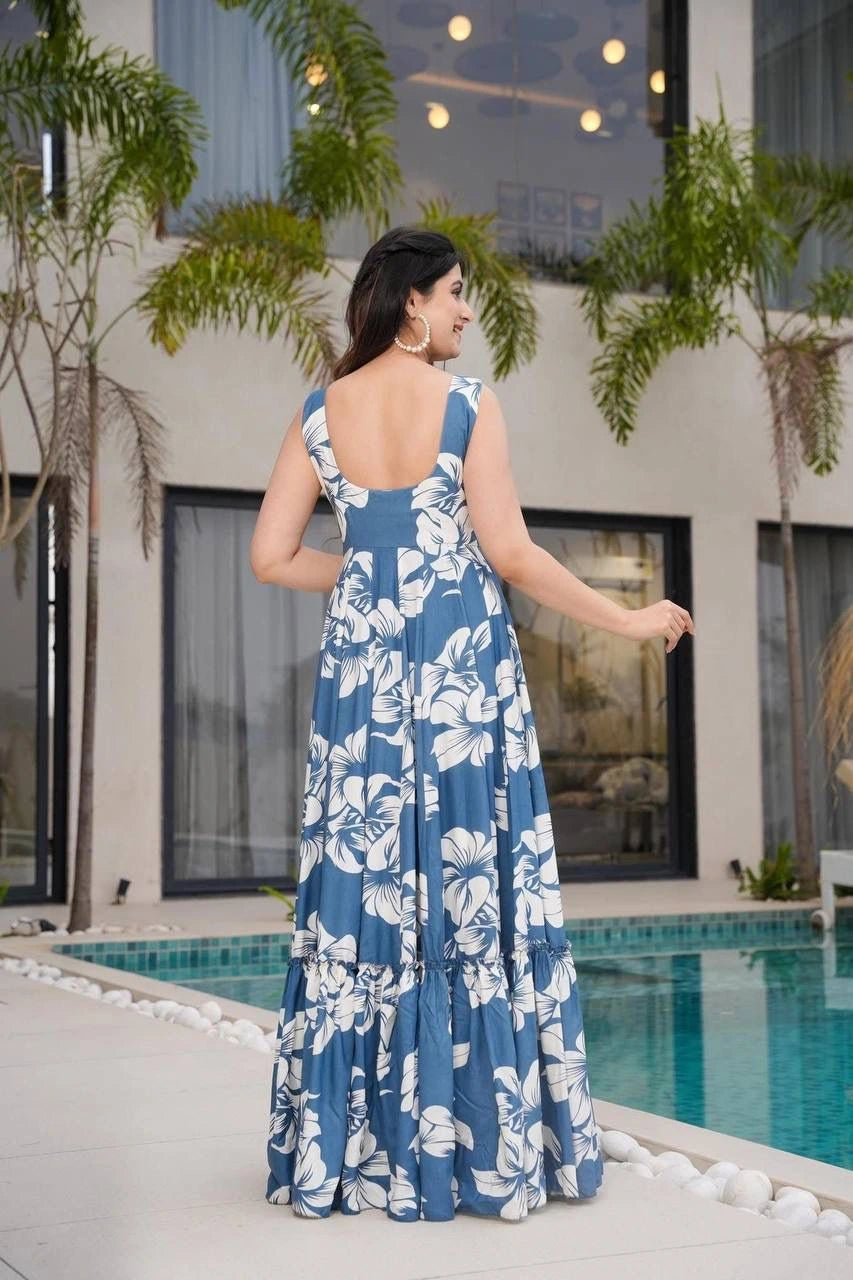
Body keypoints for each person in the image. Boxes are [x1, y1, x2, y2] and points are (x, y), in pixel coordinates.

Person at [250, 227, 695, 1222]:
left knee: (364, 887)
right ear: (411, 300)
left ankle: (354, 1154)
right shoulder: (465, 403)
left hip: (362, 685)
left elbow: (271, 556)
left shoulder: (319, 411)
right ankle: (480, 1147)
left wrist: (373, 572)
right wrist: (629, 619)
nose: (464, 310)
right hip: (460, 679)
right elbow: (513, 554)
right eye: (454, 291)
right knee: (470, 888)